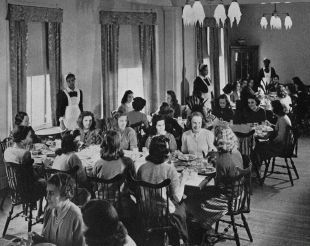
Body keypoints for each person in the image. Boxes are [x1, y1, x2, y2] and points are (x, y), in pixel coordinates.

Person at [185, 125, 245, 233]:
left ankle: (201, 231)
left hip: (227, 201)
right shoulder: (236, 153)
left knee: (191, 203)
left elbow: (219, 188)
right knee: (200, 194)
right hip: (240, 196)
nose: (217, 145)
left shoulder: (222, 161)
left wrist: (204, 188)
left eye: (219, 142)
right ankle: (203, 228)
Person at [137, 136, 190, 244]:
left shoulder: (142, 168)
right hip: (164, 214)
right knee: (183, 207)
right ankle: (180, 239)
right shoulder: (169, 169)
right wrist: (183, 179)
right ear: (166, 151)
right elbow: (178, 197)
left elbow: (136, 191)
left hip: (145, 212)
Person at [31, 173, 84, 246]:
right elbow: (46, 240)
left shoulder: (76, 215)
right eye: (47, 192)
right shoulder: (49, 209)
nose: (47, 197)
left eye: (51, 193)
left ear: (65, 194)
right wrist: (38, 239)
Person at [4, 125, 46, 212]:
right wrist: (44, 165)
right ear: (22, 139)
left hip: (15, 190)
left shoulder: (7, 151)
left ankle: (38, 211)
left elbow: (23, 171)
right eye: (30, 136)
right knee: (47, 182)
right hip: (27, 192)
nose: (31, 139)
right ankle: (47, 214)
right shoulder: (25, 154)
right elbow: (33, 176)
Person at [92, 130, 135, 201]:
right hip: (122, 202)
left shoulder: (98, 164)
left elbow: (94, 185)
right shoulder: (128, 162)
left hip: (103, 202)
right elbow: (133, 184)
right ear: (119, 144)